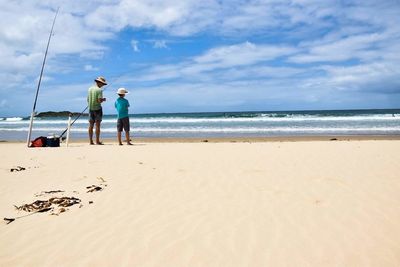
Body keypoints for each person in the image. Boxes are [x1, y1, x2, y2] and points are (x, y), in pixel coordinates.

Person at [87, 76, 107, 145]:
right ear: (99, 82)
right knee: (97, 125)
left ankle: (90, 141)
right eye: (102, 84)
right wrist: (103, 100)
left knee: (91, 125)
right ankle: (97, 141)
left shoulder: (89, 89)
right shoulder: (99, 90)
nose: (102, 85)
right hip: (98, 109)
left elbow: (88, 99)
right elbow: (99, 101)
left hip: (90, 108)